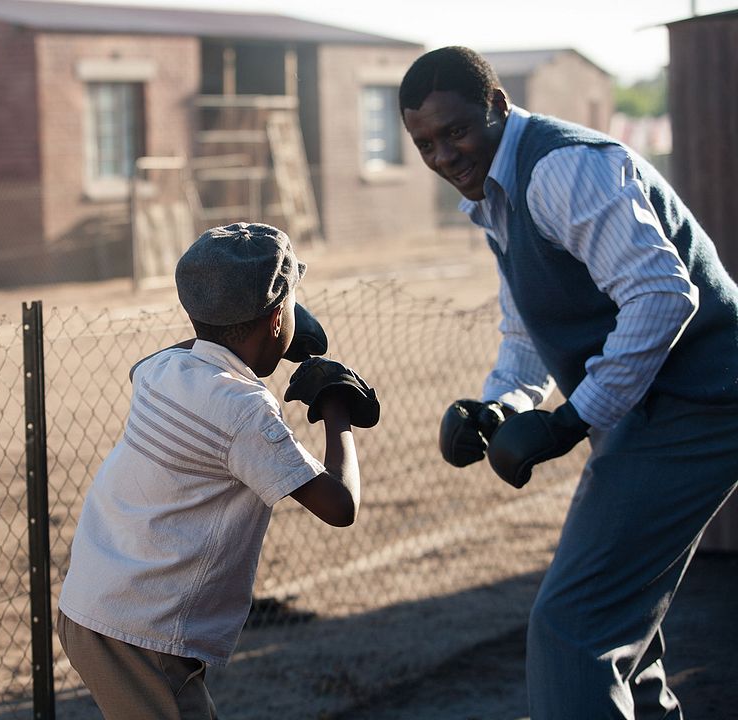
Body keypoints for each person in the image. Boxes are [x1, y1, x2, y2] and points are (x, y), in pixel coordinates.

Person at [399, 46, 738, 718]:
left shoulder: (560, 168)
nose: (444, 157)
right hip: (651, 410)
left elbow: (664, 295)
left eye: (456, 131)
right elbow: (528, 329)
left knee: (572, 626)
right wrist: (498, 406)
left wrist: (568, 421)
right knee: (622, 621)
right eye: (425, 143)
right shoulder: (500, 189)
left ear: (497, 106)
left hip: (701, 402)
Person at [56, 221, 377, 719]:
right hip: (143, 632)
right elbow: (341, 505)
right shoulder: (244, 409)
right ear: (275, 319)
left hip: (97, 605)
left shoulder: (160, 369)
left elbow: (185, 352)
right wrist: (338, 409)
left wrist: (266, 334)